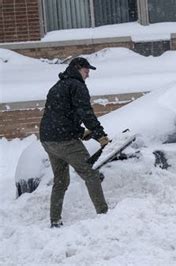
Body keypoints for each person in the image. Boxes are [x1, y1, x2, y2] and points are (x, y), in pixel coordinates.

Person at [39, 57, 110, 228]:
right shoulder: (77, 86)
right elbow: (85, 112)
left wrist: (80, 132)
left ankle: (55, 220)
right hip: (64, 141)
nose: (88, 75)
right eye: (86, 71)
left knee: (61, 181)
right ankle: (105, 215)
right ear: (77, 68)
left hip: (48, 140)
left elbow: (58, 116)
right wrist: (100, 134)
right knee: (91, 174)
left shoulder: (58, 86)